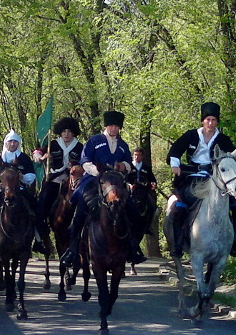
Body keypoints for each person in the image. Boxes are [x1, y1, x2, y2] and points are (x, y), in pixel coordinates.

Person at [60, 111, 148, 267]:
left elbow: (128, 162)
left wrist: (124, 166)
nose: (114, 129)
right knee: (80, 208)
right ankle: (72, 249)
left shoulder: (122, 145)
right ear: (106, 126)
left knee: (133, 210)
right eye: (111, 126)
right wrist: (96, 171)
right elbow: (85, 159)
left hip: (115, 182)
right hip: (94, 180)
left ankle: (133, 247)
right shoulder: (94, 140)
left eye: (116, 127)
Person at [166, 102, 236, 259]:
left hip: (216, 180)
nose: (210, 123)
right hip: (192, 178)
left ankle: (235, 241)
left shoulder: (223, 139)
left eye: (213, 120)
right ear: (202, 121)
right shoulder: (190, 135)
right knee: (179, 206)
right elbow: (174, 151)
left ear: (217, 122)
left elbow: (235, 160)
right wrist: (175, 165)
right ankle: (178, 244)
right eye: (208, 120)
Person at [0, 129, 45, 255]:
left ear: (18, 144)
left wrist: (22, 177)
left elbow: (31, 177)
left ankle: (38, 240)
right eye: (10, 142)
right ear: (6, 143)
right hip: (3, 192)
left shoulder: (24, 158)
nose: (12, 144)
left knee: (37, 209)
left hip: (20, 191)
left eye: (15, 142)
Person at [36, 117, 84, 240]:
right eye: (64, 131)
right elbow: (38, 152)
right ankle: (41, 232)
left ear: (74, 132)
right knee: (44, 201)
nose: (66, 134)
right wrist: (42, 156)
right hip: (55, 178)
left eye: (69, 131)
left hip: (73, 179)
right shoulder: (53, 144)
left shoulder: (80, 147)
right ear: (60, 132)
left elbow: (85, 161)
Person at [127, 147, 157, 237]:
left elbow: (153, 180)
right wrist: (129, 185)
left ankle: (148, 226)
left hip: (143, 192)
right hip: (131, 192)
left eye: (139, 155)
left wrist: (153, 184)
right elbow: (124, 179)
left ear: (142, 156)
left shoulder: (146, 168)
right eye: (135, 155)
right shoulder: (129, 167)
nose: (137, 157)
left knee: (152, 206)